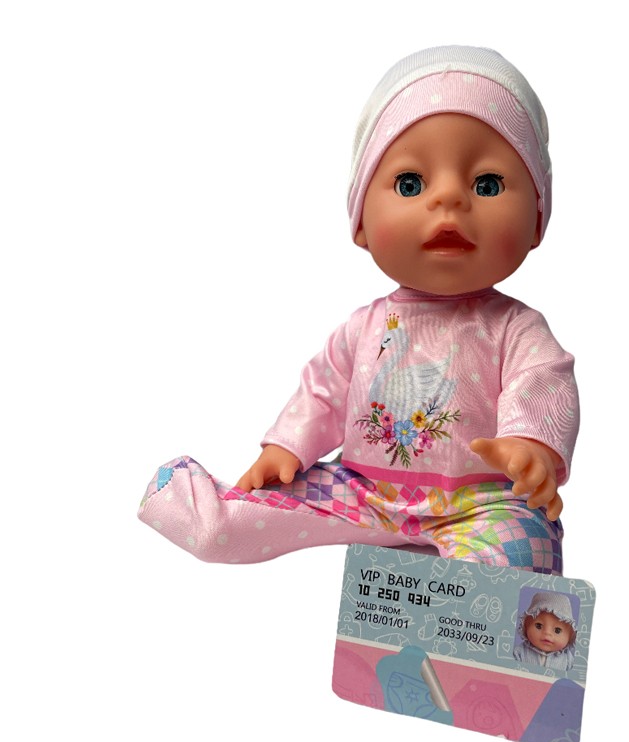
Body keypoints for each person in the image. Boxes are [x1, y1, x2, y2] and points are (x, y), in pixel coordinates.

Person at [138, 45, 579, 573]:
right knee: (237, 521)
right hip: (363, 491)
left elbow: (542, 381)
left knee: (523, 556)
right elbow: (322, 392)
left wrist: (530, 445)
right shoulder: (364, 328)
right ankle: (188, 500)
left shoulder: (515, 329)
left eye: (486, 184)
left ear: (536, 220)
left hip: (481, 505)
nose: (449, 199)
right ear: (362, 221)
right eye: (410, 184)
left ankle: (469, 606)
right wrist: (287, 448)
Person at [513, 591, 577, 670]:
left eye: (557, 630)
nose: (547, 633)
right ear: (525, 626)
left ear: (570, 636)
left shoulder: (568, 660)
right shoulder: (519, 652)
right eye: (538, 626)